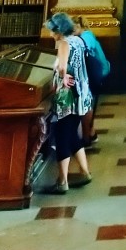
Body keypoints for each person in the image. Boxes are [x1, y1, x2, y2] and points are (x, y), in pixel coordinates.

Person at [42, 11, 92, 194]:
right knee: (71, 134)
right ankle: (85, 172)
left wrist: (63, 77)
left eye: (52, 30)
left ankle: (62, 181)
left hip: (68, 98)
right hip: (81, 95)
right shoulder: (78, 40)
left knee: (62, 135)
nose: (50, 34)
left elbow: (63, 67)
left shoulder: (63, 43)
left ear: (59, 30)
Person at [72, 15, 110, 148]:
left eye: (73, 29)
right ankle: (90, 133)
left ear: (78, 26)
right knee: (86, 101)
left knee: (85, 102)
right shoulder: (85, 35)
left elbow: (83, 50)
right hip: (94, 72)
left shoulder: (86, 36)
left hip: (95, 73)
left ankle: (87, 136)